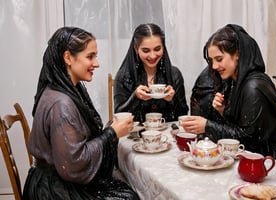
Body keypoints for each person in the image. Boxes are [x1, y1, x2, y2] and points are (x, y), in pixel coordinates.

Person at [23, 27, 140, 200]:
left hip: (53, 180)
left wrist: (111, 130)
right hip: (53, 191)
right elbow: (74, 163)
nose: (97, 63)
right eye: (90, 56)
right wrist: (111, 133)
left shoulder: (65, 89)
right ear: (68, 57)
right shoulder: (61, 103)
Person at [181, 24, 276, 167]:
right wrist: (223, 110)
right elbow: (243, 124)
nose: (213, 66)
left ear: (237, 54)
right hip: (255, 154)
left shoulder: (253, 87)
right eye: (211, 60)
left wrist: (207, 126)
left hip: (273, 159)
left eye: (219, 59)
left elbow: (250, 138)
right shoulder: (234, 81)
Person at [114, 23, 188, 122]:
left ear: (163, 47)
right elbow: (119, 115)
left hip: (167, 134)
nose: (152, 56)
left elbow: (183, 115)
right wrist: (135, 97)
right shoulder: (124, 76)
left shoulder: (174, 75)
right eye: (146, 50)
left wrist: (172, 100)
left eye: (157, 49)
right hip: (133, 136)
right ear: (136, 48)